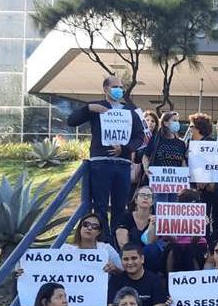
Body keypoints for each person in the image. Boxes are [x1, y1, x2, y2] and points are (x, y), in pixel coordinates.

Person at [67, 75, 148, 239]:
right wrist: (88, 109)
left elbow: (140, 137)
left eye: (121, 87)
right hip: (100, 164)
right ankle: (102, 240)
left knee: (120, 206)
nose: (119, 90)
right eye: (115, 87)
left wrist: (125, 149)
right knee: (100, 206)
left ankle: (117, 243)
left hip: (123, 164)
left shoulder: (130, 111)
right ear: (105, 89)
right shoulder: (96, 107)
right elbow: (71, 121)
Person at [25, 213, 120, 306]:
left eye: (95, 227)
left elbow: (123, 269)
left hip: (96, 300)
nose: (89, 228)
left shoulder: (106, 249)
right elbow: (46, 268)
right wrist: (25, 271)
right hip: (70, 298)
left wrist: (114, 268)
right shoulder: (65, 249)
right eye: (86, 224)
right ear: (80, 227)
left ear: (99, 232)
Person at [101, 243, 170, 306]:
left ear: (142, 259)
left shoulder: (155, 280)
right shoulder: (116, 279)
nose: (130, 262)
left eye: (134, 258)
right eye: (125, 259)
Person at [113, 185, 164, 273]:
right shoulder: (125, 218)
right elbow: (123, 245)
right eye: (142, 195)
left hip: (149, 258)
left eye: (148, 196)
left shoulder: (156, 220)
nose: (145, 197)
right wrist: (136, 258)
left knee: (152, 249)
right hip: (129, 256)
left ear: (152, 202)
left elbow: (150, 242)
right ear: (136, 200)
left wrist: (152, 224)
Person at [144, 111, 187, 203]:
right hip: (160, 182)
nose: (177, 123)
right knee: (161, 207)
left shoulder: (181, 143)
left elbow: (183, 161)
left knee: (172, 210)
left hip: (176, 183)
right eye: (174, 120)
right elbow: (145, 156)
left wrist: (184, 175)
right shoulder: (156, 139)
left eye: (177, 121)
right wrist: (146, 169)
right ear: (165, 123)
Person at [164, 188, 209, 273]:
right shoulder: (171, 216)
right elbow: (166, 238)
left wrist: (202, 226)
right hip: (175, 245)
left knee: (192, 250)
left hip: (196, 245)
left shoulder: (202, 217)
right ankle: (170, 281)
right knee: (173, 249)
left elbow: (198, 239)